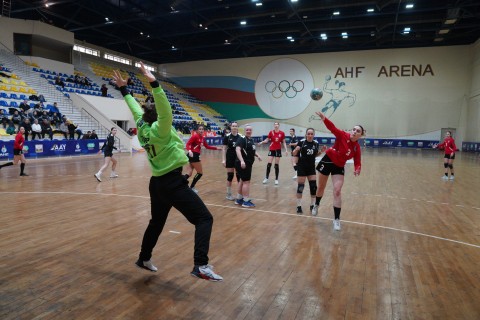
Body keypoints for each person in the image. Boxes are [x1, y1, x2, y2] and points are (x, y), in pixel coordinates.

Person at [111, 62, 223, 281]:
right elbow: (164, 107)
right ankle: (201, 265)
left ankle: (144, 258)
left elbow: (135, 107)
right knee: (204, 219)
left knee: (156, 222)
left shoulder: (142, 126)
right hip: (172, 183)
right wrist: (153, 82)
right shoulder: (160, 129)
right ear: (160, 117)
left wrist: (125, 90)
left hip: (158, 184)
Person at [312, 111, 364, 231]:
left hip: (339, 166)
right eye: (353, 129)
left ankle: (336, 219)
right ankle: (316, 204)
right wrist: (324, 118)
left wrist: (357, 169)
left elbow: (357, 161)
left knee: (337, 191)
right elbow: (332, 127)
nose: (354, 132)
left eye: (358, 131)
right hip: (328, 160)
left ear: (360, 136)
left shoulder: (357, 148)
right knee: (321, 188)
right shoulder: (342, 135)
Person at [292, 128, 324, 214]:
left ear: (314, 135)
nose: (310, 135)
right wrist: (296, 149)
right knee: (300, 187)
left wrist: (321, 151)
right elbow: (294, 154)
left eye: (311, 134)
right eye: (308, 134)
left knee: (313, 187)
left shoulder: (316, 143)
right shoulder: (301, 142)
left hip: (311, 168)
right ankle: (299, 206)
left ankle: (312, 205)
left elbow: (315, 154)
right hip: (302, 167)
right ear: (306, 134)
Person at [184, 124, 222, 193]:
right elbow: (188, 144)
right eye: (200, 129)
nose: (201, 130)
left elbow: (207, 146)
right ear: (197, 130)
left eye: (202, 129)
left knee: (189, 173)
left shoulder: (202, 138)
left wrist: (216, 148)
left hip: (194, 155)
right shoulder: (195, 136)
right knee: (200, 173)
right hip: (193, 155)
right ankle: (192, 187)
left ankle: (179, 184)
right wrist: (189, 150)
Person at [235, 124, 262, 207]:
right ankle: (246, 201)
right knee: (246, 182)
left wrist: (258, 155)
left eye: (250, 130)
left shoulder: (251, 140)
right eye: (247, 130)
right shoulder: (242, 139)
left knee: (242, 181)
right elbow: (237, 149)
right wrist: (242, 161)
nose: (249, 131)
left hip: (248, 163)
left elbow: (252, 151)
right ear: (244, 131)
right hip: (243, 164)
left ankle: (239, 199)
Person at [222, 121, 241, 200]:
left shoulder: (240, 137)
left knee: (239, 176)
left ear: (237, 127)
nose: (234, 127)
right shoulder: (227, 136)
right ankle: (228, 194)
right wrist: (223, 160)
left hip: (237, 158)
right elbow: (224, 148)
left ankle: (239, 194)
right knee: (230, 176)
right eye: (233, 126)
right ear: (231, 127)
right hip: (229, 158)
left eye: (236, 126)